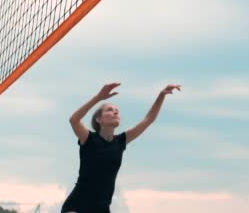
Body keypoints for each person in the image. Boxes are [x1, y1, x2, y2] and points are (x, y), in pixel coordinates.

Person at [61, 82, 181, 213]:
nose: (115, 112)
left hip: (101, 208)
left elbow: (149, 119)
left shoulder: (121, 141)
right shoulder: (88, 139)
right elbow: (74, 120)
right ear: (99, 120)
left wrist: (161, 95)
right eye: (109, 110)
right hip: (77, 205)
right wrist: (99, 97)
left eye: (117, 111)